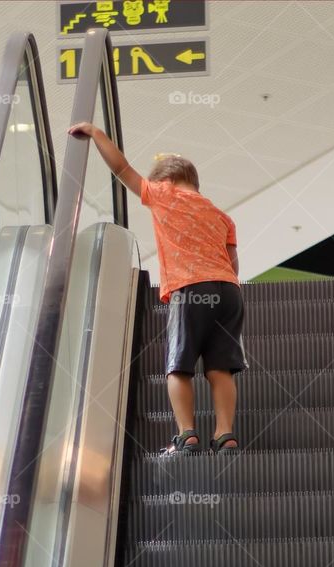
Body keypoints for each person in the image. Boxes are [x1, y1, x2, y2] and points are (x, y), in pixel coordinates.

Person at [67, 122, 246, 454]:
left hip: (189, 289)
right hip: (229, 292)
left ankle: (187, 433)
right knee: (220, 367)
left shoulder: (163, 194)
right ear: (194, 181)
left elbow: (121, 168)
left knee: (178, 365)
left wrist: (96, 133)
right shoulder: (222, 216)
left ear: (164, 180)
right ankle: (225, 435)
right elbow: (233, 263)